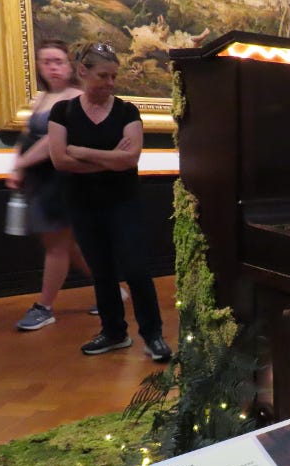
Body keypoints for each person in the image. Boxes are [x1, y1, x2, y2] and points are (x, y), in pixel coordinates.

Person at [48, 42, 171, 361]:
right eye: (104, 75)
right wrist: (110, 157)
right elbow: (60, 160)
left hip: (123, 203)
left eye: (114, 76)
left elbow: (130, 159)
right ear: (83, 71)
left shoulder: (127, 111)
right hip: (83, 205)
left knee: (136, 269)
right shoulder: (63, 112)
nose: (111, 83)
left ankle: (153, 335)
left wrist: (85, 153)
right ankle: (114, 332)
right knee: (102, 272)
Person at [7, 39, 94, 331]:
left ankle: (44, 307)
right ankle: (112, 288)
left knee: (56, 246)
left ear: (70, 66)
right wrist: (16, 166)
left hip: (61, 183)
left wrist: (20, 165)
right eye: (46, 62)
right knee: (68, 245)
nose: (53, 67)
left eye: (58, 61)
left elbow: (50, 142)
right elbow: (27, 136)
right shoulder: (41, 99)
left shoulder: (75, 99)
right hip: (40, 183)